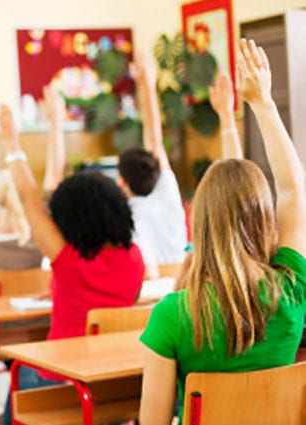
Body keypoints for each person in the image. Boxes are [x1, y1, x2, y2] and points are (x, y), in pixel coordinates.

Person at [139, 39, 306, 425]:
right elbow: (293, 191)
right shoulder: (291, 290)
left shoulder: (172, 316)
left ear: (200, 223)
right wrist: (262, 104)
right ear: (265, 219)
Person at [0, 100, 145, 425]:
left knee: (20, 375)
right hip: (116, 383)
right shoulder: (135, 258)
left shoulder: (68, 258)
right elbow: (113, 307)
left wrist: (11, 142)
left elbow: (28, 197)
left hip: (63, 381)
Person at [120, 54, 187, 275]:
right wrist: (148, 86)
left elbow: (148, 273)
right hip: (183, 282)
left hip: (155, 292)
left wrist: (146, 85)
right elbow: (155, 141)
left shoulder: (127, 217)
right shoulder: (166, 191)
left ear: (122, 182)